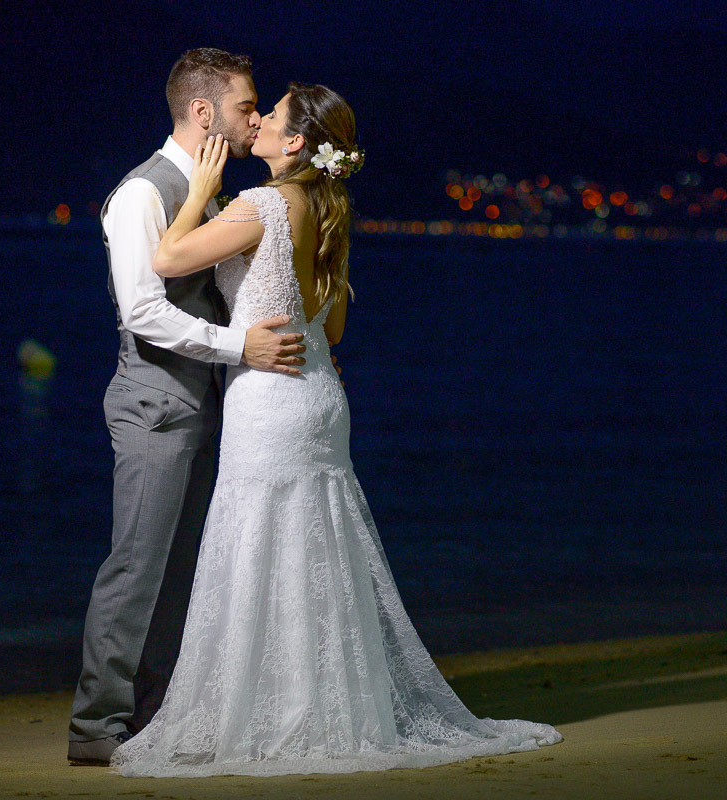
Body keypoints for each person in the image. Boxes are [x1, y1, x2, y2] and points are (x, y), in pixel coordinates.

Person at [108, 82, 562, 777]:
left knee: (261, 546)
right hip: (319, 391)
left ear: (294, 144)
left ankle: (271, 710)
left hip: (267, 393)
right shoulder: (328, 207)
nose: (256, 121)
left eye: (273, 116)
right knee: (315, 550)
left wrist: (199, 191)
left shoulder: (260, 203)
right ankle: (324, 703)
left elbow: (167, 261)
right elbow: (336, 324)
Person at [67, 48, 310, 767]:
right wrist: (242, 348)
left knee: (180, 571)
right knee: (137, 565)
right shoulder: (142, 194)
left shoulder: (224, 195)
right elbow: (144, 310)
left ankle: (152, 710)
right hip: (154, 402)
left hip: (207, 406)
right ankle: (95, 725)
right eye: (244, 106)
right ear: (203, 113)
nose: (253, 119)